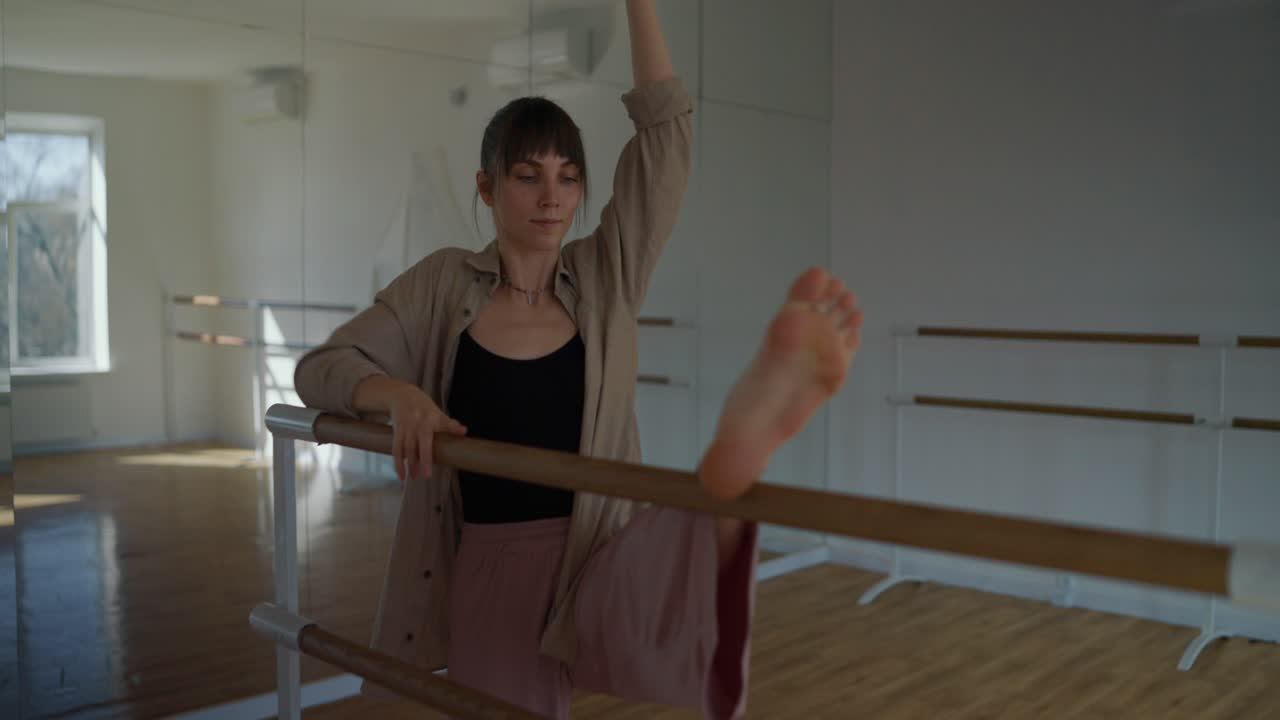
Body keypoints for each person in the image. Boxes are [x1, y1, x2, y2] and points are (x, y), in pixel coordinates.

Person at [294, 1, 862, 717]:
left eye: (568, 177)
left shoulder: (605, 274)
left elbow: (665, 139)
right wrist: (394, 395)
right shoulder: (444, 283)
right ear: (487, 187)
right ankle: (727, 468)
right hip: (497, 560)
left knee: (690, 533)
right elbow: (321, 366)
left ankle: (734, 456)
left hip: (604, 547)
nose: (552, 197)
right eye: (529, 176)